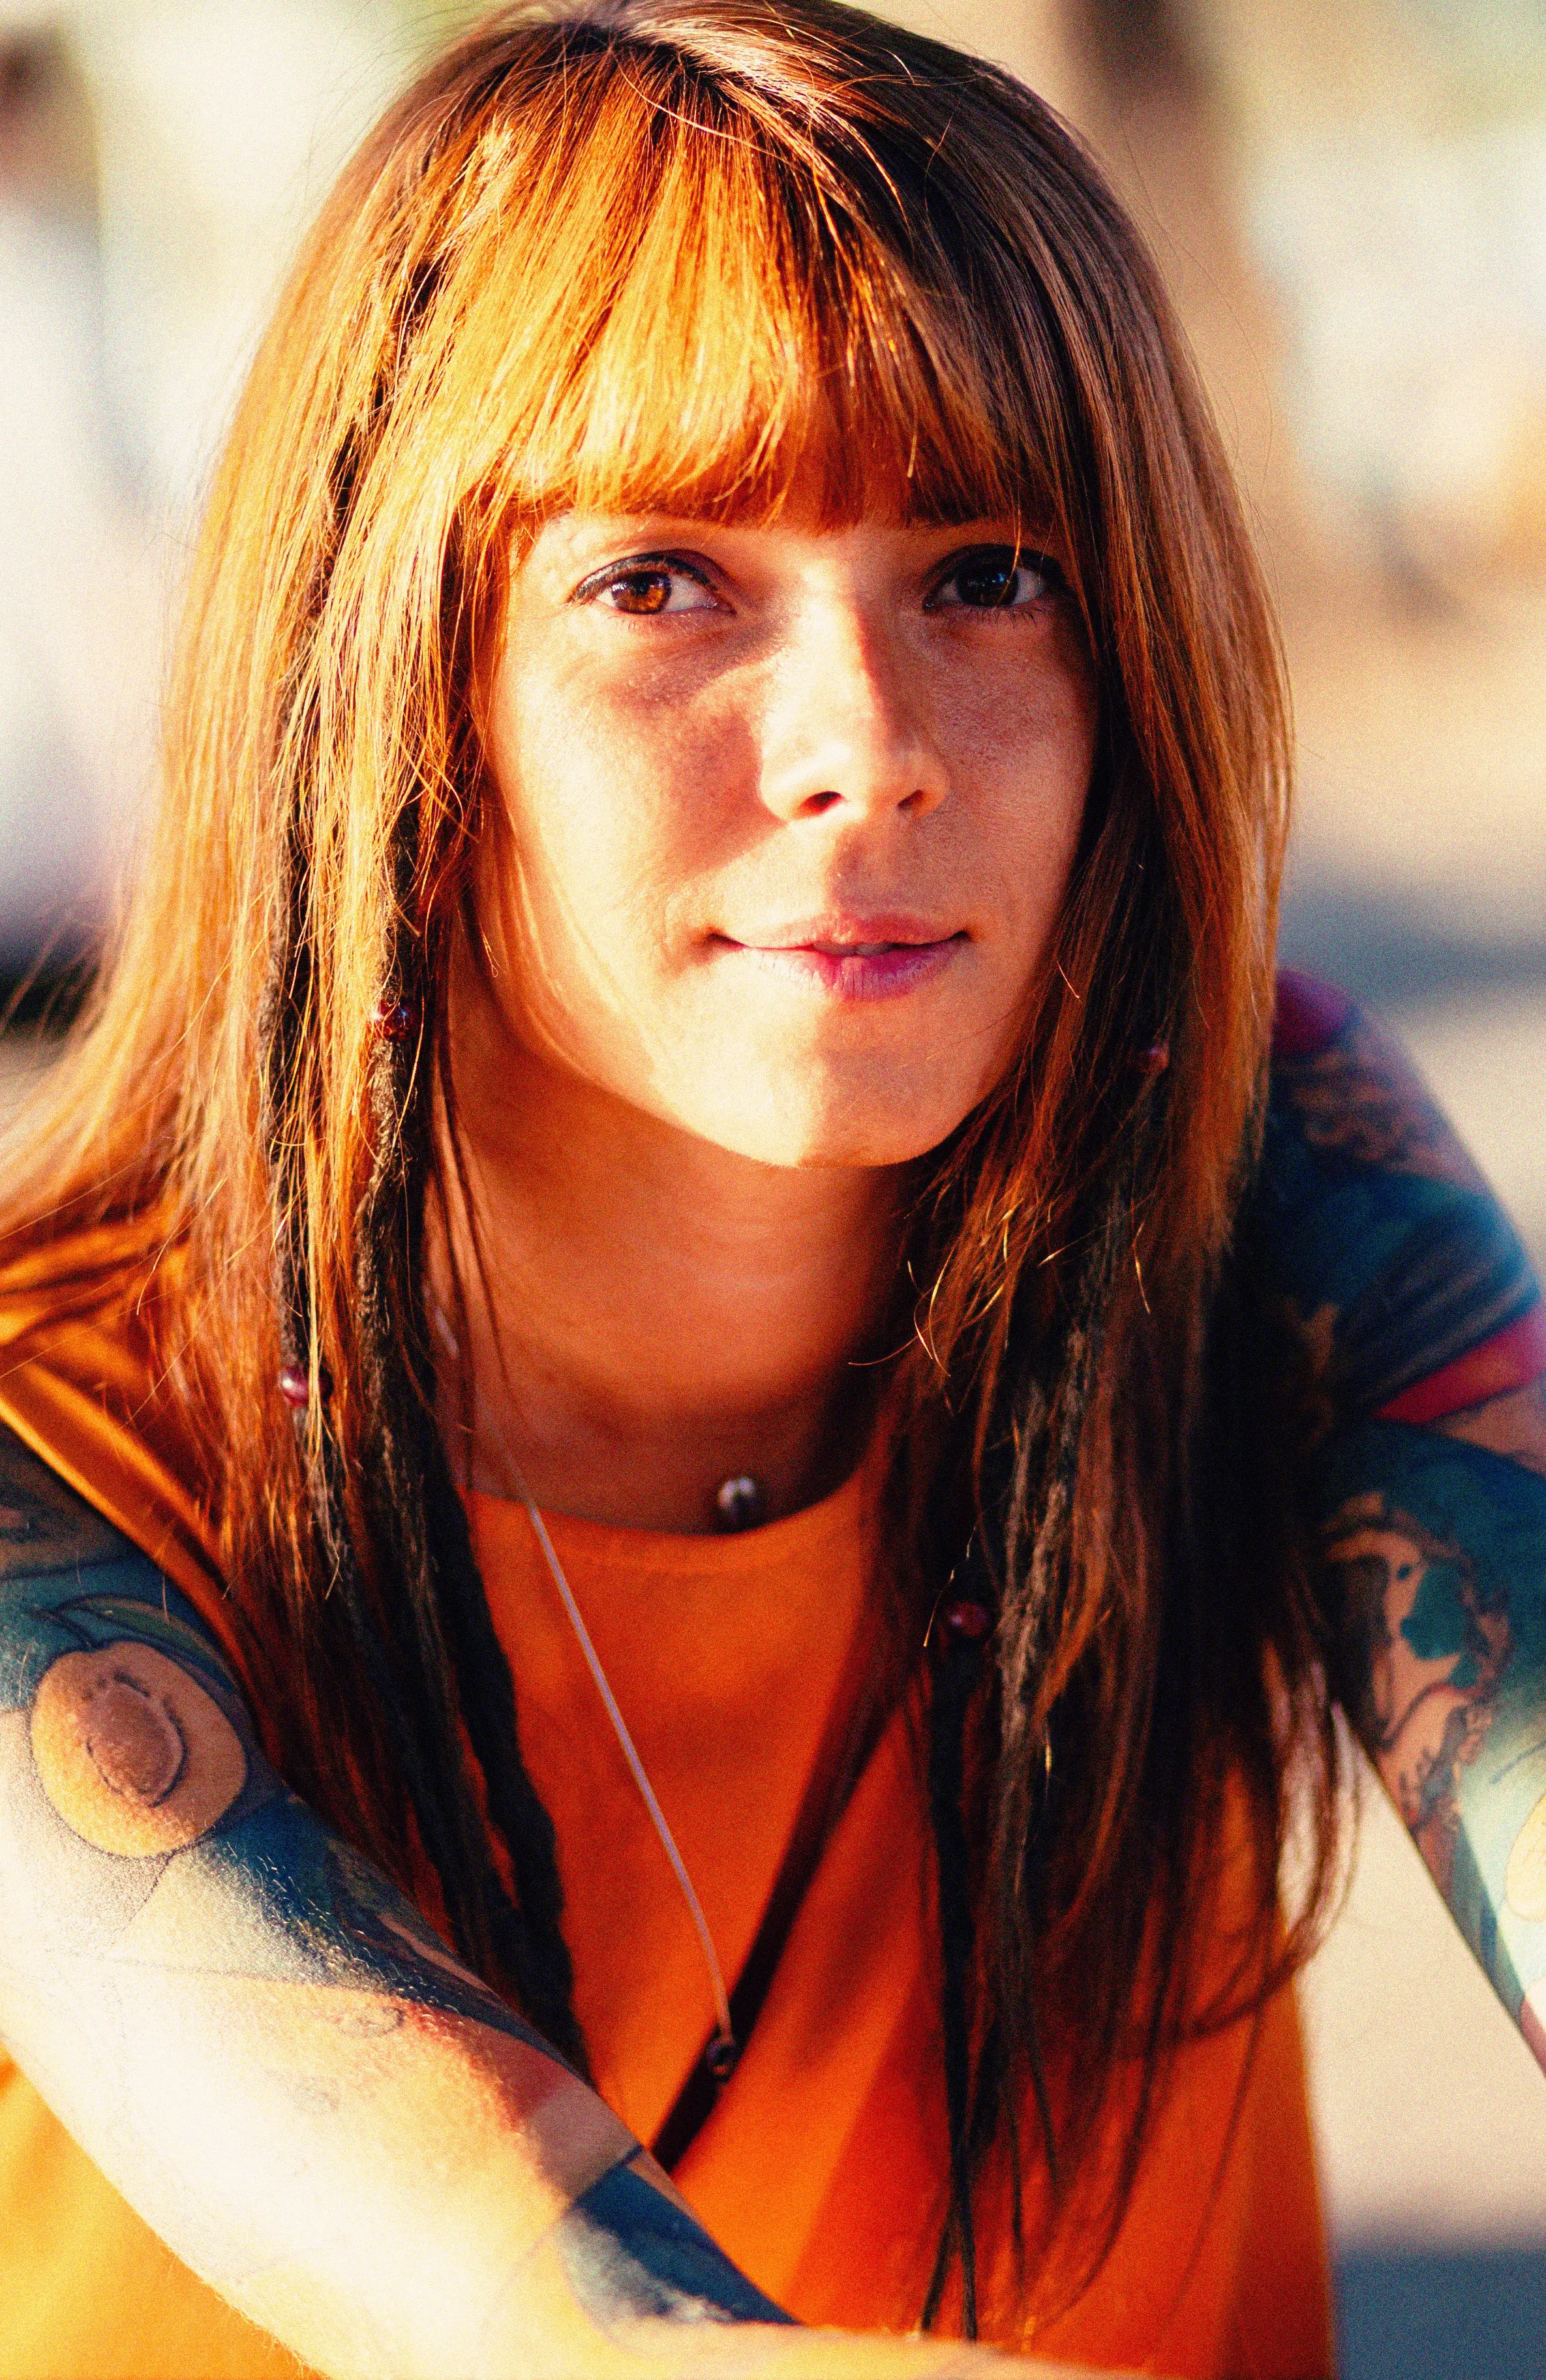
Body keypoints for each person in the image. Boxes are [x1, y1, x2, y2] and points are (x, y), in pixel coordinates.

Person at [1, 5, 1543, 2375]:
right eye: (663, 582)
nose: (871, 746)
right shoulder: (54, 1447)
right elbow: (575, 2328)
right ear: (399, 677)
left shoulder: (1240, 1158)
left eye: (993, 570)